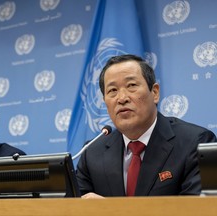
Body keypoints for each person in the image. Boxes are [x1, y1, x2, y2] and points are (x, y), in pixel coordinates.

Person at [76, 54, 217, 198]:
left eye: (131, 86)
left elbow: (197, 210)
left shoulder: (195, 143)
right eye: (112, 90)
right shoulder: (92, 153)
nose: (122, 98)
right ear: (105, 101)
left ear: (154, 92)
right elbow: (69, 207)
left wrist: (110, 211)